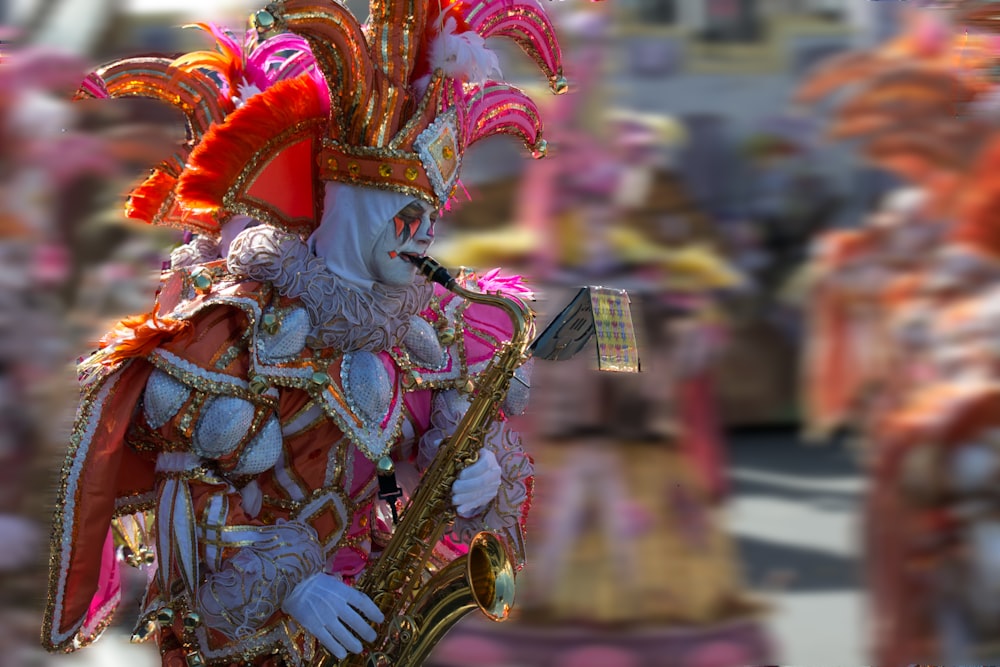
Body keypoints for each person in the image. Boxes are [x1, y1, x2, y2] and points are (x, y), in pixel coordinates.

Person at [41, 0, 568, 664]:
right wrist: (294, 586)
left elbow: (418, 466)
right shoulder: (232, 334)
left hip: (366, 622)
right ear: (352, 203)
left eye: (429, 216)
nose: (422, 235)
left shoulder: (421, 329)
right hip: (246, 638)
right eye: (402, 215)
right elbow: (186, 519)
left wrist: (477, 473)